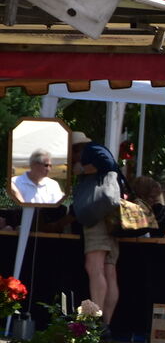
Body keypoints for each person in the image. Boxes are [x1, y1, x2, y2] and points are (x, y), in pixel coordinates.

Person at [70, 132, 125, 325]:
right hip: (110, 218)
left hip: (97, 217)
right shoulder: (95, 150)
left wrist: (83, 169)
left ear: (75, 149)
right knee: (109, 270)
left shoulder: (91, 150)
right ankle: (106, 325)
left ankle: (94, 321)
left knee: (94, 267)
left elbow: (107, 162)